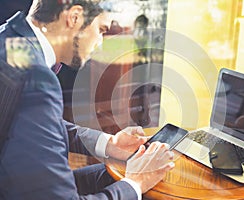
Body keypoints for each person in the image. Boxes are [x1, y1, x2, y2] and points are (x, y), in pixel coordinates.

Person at [0, 0, 175, 199]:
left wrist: (109, 144)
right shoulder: (35, 76)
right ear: (74, 17)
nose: (100, 43)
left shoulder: (9, 40)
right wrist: (136, 183)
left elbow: (34, 123)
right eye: (101, 30)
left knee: (110, 175)